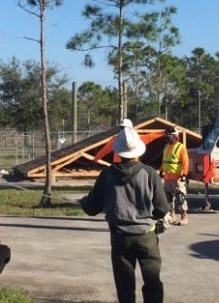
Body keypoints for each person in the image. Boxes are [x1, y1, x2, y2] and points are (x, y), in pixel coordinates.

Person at [81, 125, 169, 303]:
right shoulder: (149, 173)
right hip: (147, 237)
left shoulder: (106, 175)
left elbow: (91, 208)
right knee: (152, 283)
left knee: (125, 287)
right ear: (138, 151)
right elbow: (162, 208)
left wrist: (83, 202)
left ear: (118, 151)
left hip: (120, 238)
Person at [159, 126, 190, 226]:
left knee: (181, 198)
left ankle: (184, 217)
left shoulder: (181, 147)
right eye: (166, 135)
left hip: (178, 178)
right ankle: (172, 216)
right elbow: (164, 160)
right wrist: (161, 170)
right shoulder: (166, 147)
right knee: (168, 199)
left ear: (175, 136)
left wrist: (184, 174)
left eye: (169, 135)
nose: (167, 137)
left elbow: (185, 161)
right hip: (168, 178)